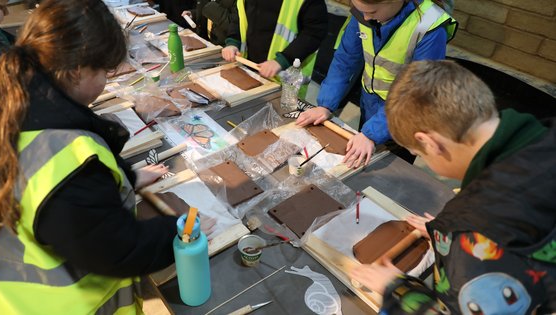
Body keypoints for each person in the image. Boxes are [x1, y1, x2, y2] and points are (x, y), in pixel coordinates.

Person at [0, 0, 183, 313]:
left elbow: (42, 191)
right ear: (76, 70)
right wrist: (177, 231)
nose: (106, 82)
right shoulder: (66, 160)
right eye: (104, 71)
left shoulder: (1, 95)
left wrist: (126, 177)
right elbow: (119, 250)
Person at [351, 60, 556, 314]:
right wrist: (444, 235)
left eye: (419, 153)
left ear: (430, 143)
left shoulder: (471, 232)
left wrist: (396, 289)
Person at [296, 0, 456, 168]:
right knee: (360, 160)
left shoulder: (429, 27)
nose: (365, 17)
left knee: (391, 169)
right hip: (371, 104)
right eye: (360, 10)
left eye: (372, 13)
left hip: (406, 115)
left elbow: (417, 93)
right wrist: (326, 104)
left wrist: (372, 133)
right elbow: (345, 61)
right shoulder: (363, 14)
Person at [221, 0, 328, 79]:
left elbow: (313, 33)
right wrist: (233, 42)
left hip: (285, 81)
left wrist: (282, 61)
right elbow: (240, 14)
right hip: (247, 69)